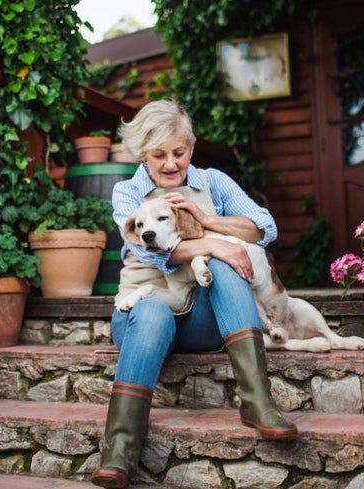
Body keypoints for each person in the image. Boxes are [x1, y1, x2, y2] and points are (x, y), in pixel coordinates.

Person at [91, 100, 296, 489]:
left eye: (179, 153)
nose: (170, 164)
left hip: (201, 319)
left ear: (192, 147)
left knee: (224, 261)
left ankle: (258, 403)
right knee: (156, 309)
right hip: (142, 315)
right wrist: (216, 244)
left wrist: (207, 223)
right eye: (159, 155)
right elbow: (141, 247)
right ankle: (118, 450)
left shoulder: (213, 182)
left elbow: (263, 228)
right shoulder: (127, 192)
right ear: (142, 155)